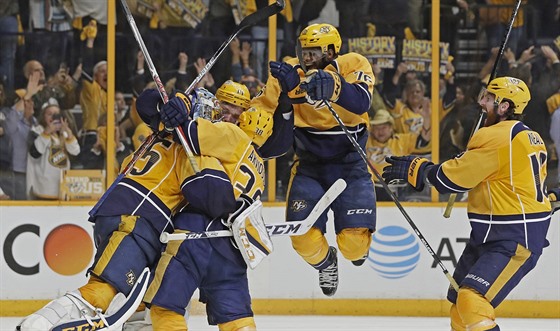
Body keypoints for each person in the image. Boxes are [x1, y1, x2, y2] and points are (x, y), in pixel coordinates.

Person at [16, 88, 238, 331]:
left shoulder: (159, 133)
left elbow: (146, 101)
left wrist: (176, 102)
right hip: (138, 219)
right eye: (213, 117)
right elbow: (214, 198)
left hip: (115, 212)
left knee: (149, 301)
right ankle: (40, 323)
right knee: (102, 290)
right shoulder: (189, 150)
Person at [382, 76, 553, 331]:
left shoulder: (497, 136)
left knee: (472, 300)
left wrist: (419, 168)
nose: (481, 101)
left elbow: (450, 181)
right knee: (460, 309)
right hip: (494, 233)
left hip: (513, 236)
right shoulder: (528, 136)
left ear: (504, 106)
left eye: (488, 98)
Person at [251, 23, 376, 297]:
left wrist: (333, 86)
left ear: (331, 51)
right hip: (309, 166)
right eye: (302, 52)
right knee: (303, 238)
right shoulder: (289, 72)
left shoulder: (354, 63)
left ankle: (357, 249)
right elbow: (261, 109)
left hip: (350, 165)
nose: (305, 58)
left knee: (354, 246)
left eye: (312, 53)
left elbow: (362, 102)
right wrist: (278, 99)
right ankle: (326, 262)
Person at [133, 88, 272, 331]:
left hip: (196, 234)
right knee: (237, 318)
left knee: (166, 308)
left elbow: (191, 135)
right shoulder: (260, 165)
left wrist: (178, 115)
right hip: (233, 247)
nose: (228, 116)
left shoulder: (231, 134)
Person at [366, 109, 430, 201]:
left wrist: (427, 117)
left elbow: (423, 140)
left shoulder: (401, 141)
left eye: (384, 127)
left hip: (399, 190)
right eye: (377, 127)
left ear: (391, 128)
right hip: (373, 189)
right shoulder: (366, 142)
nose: (380, 131)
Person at [26, 99, 80, 199]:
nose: (53, 117)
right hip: (42, 189)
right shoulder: (37, 131)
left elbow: (76, 153)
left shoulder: (64, 134)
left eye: (56, 114)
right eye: (49, 114)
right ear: (43, 116)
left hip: (62, 188)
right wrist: (46, 133)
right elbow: (34, 153)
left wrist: (69, 134)